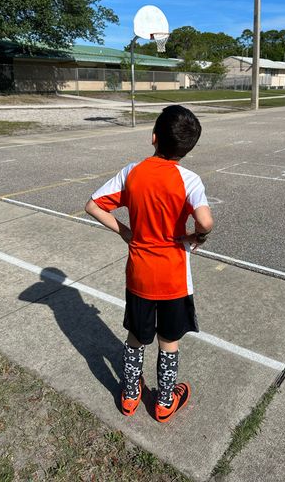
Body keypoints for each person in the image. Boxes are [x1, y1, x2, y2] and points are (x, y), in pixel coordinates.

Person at [85, 105, 213, 422]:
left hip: (139, 275)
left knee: (136, 337)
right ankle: (164, 402)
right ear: (187, 149)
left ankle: (130, 395)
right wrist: (197, 236)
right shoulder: (190, 180)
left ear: (153, 137)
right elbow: (206, 222)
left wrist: (127, 232)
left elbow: (93, 205)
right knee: (168, 341)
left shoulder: (132, 172)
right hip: (173, 278)